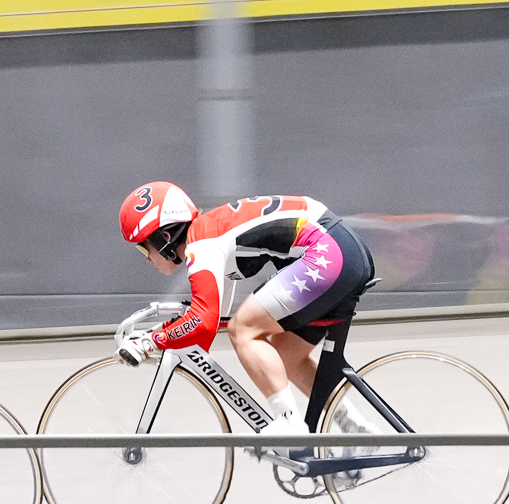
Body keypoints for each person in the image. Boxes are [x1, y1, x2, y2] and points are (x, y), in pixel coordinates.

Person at [117, 182, 378, 441]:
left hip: (330, 252)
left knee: (243, 329)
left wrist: (148, 342)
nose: (146, 258)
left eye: (143, 247)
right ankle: (357, 431)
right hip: (339, 250)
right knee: (284, 356)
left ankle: (289, 425)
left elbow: (203, 321)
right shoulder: (211, 232)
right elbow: (212, 317)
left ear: (163, 238)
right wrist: (159, 333)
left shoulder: (203, 243)